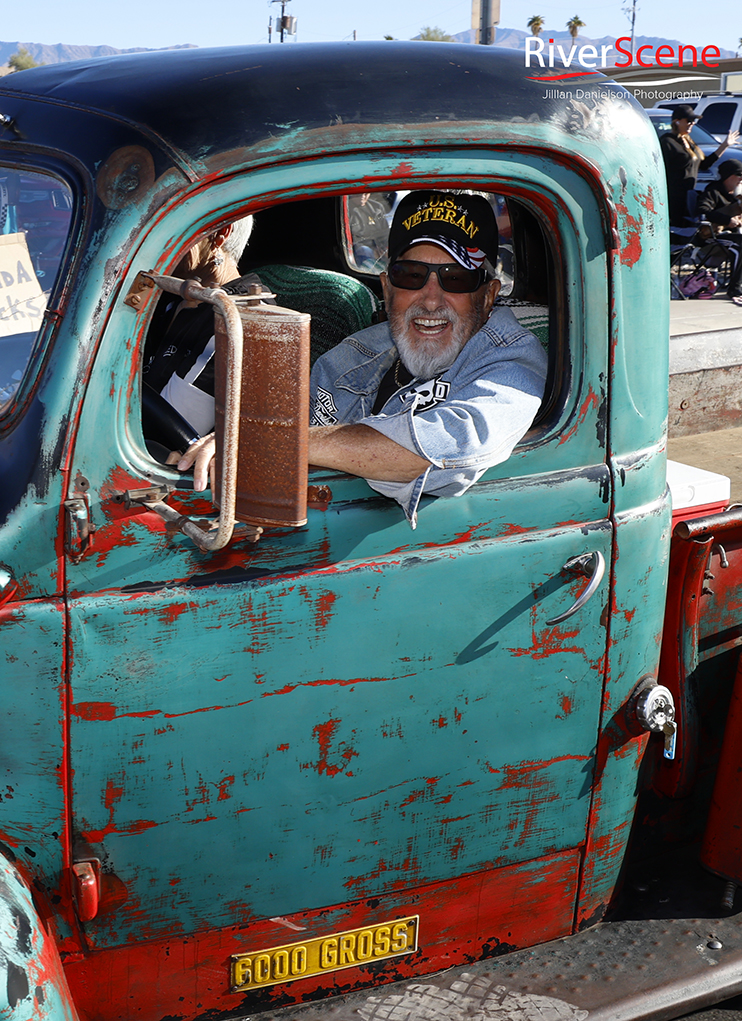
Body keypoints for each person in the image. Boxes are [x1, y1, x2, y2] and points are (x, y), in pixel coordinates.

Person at [179, 191, 548, 528]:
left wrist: (269, 442)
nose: (431, 299)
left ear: (487, 296)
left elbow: (451, 445)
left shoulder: (510, 359)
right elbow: (290, 417)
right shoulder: (360, 351)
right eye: (412, 275)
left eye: (455, 278)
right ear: (388, 288)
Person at [143, 215, 272, 439]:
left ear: (220, 234)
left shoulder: (238, 317)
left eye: (172, 229)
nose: (155, 242)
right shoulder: (165, 291)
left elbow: (168, 435)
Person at [659, 105, 739, 228]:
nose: (692, 124)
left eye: (694, 121)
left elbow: (705, 164)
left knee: (688, 227)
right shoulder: (667, 142)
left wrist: (724, 145)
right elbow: (661, 170)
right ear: (677, 121)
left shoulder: (688, 141)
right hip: (674, 195)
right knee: (677, 228)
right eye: (689, 121)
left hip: (688, 194)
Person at [696, 159, 742, 304]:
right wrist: (727, 220)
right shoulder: (713, 191)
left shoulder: (734, 195)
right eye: (739, 175)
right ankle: (734, 289)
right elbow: (703, 210)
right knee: (738, 247)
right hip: (711, 238)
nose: (741, 179)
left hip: (730, 236)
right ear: (729, 176)